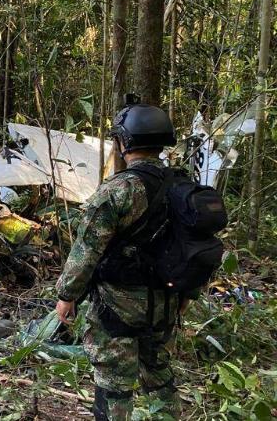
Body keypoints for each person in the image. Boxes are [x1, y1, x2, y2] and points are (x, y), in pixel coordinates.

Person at [54, 100, 189, 421]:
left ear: (124, 142)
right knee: (159, 374)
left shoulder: (118, 190)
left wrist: (66, 296)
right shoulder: (183, 186)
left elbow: (86, 250)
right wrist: (187, 295)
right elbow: (197, 245)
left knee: (114, 382)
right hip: (167, 302)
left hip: (117, 306)